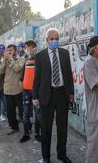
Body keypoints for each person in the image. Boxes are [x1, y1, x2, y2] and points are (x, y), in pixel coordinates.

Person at [33, 28, 74, 163]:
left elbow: (68, 74)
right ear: (47, 40)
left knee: (62, 127)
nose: (55, 41)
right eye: (52, 39)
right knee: (46, 128)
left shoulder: (65, 53)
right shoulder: (40, 56)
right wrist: (35, 97)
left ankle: (61, 154)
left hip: (62, 94)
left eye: (57, 38)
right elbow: (36, 78)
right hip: (46, 95)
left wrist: (71, 93)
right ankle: (46, 157)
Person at [0, 44, 26, 135]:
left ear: (15, 50)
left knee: (22, 110)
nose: (9, 51)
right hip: (7, 89)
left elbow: (17, 69)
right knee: (10, 111)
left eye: (11, 50)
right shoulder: (5, 60)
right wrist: (4, 61)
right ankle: (14, 127)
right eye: (8, 50)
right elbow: (0, 71)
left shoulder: (21, 59)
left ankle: (27, 127)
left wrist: (10, 59)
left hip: (17, 89)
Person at [19, 40, 41, 143]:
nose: (26, 50)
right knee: (26, 114)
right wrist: (21, 85)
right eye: (25, 48)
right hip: (26, 91)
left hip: (37, 92)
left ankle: (37, 133)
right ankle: (26, 133)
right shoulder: (26, 60)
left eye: (27, 47)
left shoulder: (41, 58)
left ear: (34, 48)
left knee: (38, 114)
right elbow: (22, 76)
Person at [0, 44, 7, 122]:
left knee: (4, 99)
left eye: (2, 50)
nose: (1, 52)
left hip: (6, 80)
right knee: (2, 100)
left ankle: (3, 113)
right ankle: (2, 114)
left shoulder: (6, 57)